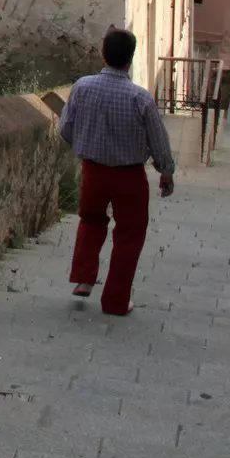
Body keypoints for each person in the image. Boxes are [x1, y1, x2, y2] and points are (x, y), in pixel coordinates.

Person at [56, 29, 174, 316]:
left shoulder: (82, 87)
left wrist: (85, 144)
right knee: (129, 235)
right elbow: (158, 140)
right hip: (129, 175)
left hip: (93, 170)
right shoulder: (140, 98)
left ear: (102, 53)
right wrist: (166, 171)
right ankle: (116, 300)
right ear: (130, 59)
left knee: (91, 220)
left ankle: (84, 278)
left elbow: (66, 128)